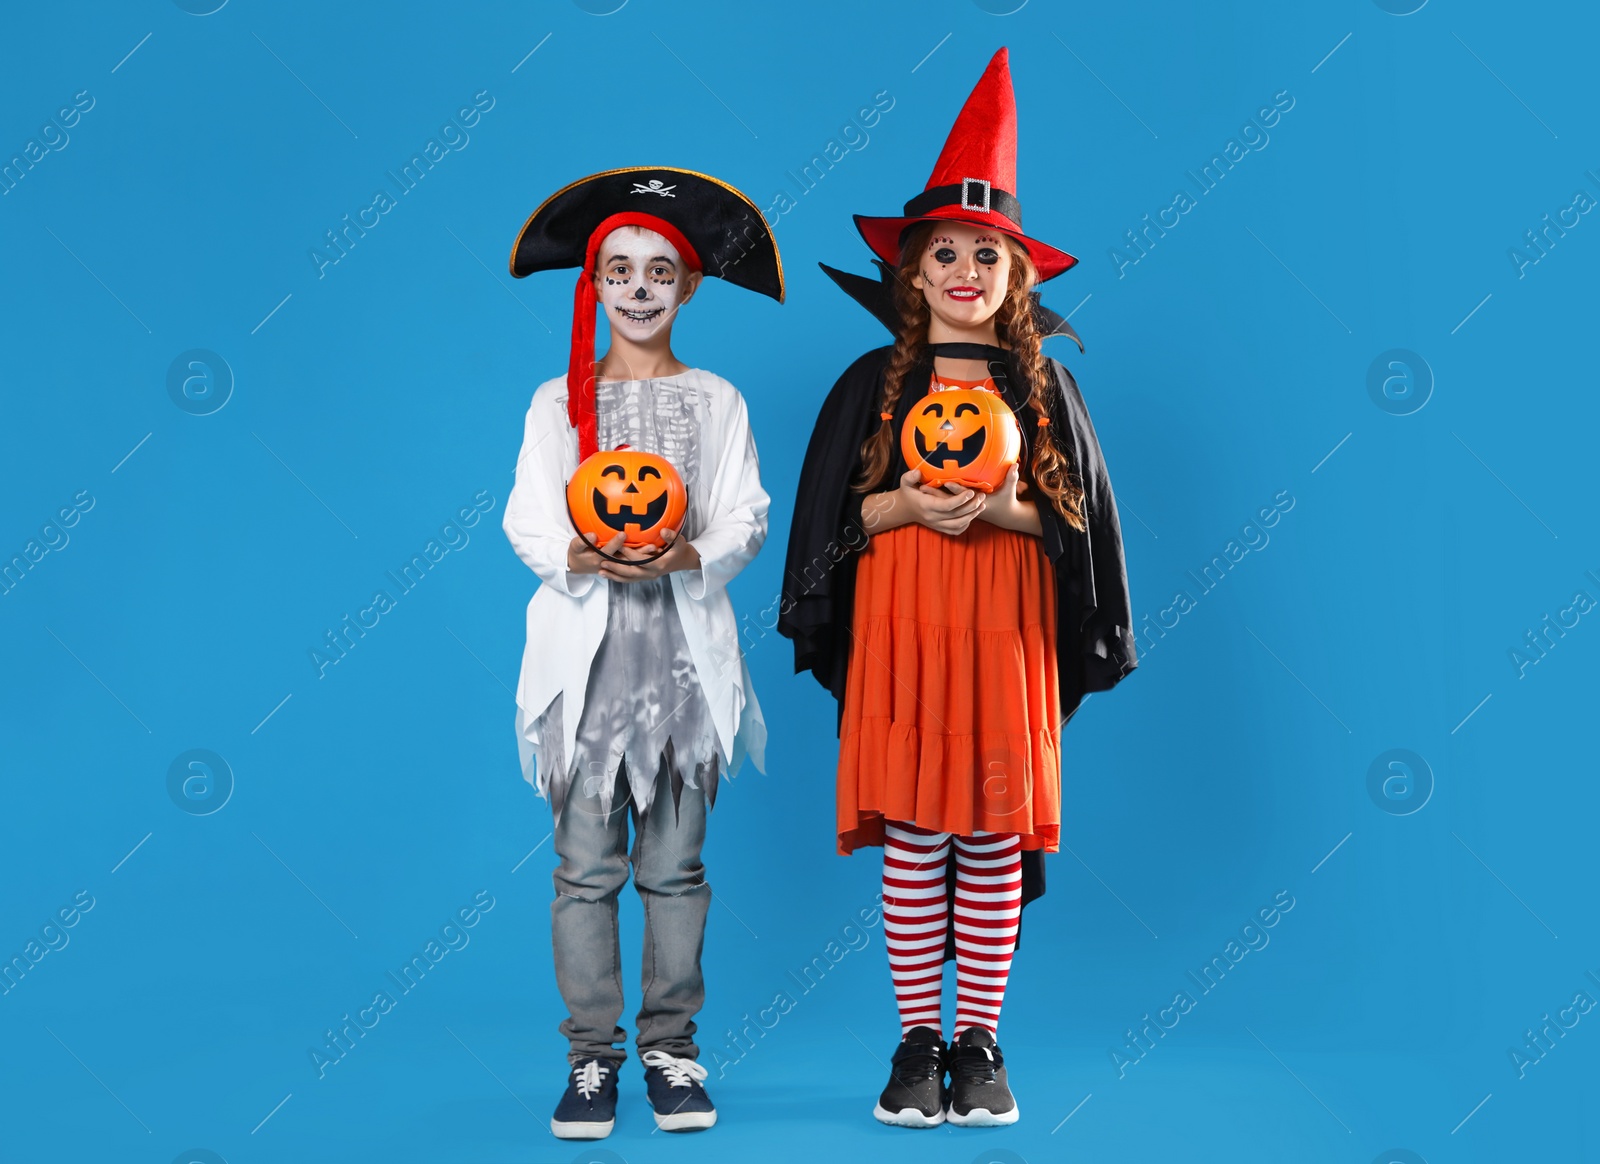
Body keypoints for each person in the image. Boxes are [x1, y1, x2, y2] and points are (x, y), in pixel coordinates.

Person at [778, 48, 1137, 1128]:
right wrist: (893, 509)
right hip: (901, 631)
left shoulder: (1045, 389)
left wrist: (995, 511)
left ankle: (979, 1043)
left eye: (986, 251)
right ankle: (914, 1043)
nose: (966, 269)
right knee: (915, 837)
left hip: (1002, 635)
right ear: (915, 271)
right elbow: (830, 524)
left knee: (984, 836)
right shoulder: (868, 390)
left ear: (1014, 273)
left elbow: (1078, 531)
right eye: (946, 252)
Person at [502, 166, 783, 1139]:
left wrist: (690, 549)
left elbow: (745, 513)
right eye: (616, 269)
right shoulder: (556, 404)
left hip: (679, 675)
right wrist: (583, 552)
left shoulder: (715, 402)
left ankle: (672, 1046)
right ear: (593, 282)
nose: (637, 287)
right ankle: (591, 1059)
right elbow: (528, 519)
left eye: (658, 270)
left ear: (689, 286)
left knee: (674, 869)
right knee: (585, 872)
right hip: (587, 679)